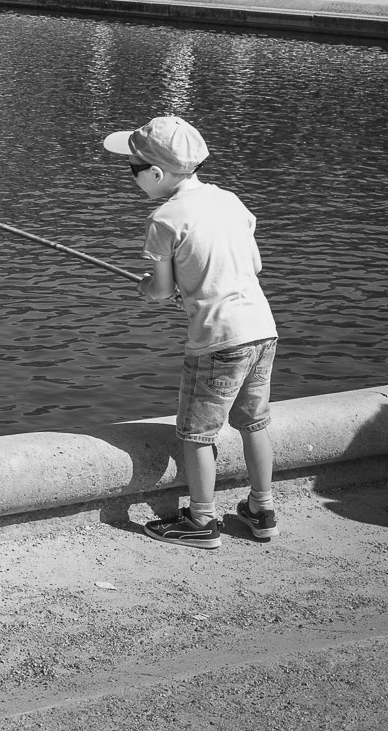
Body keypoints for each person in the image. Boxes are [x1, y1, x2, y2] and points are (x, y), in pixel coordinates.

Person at [103, 116, 278, 550]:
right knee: (254, 422)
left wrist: (149, 287)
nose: (133, 178)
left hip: (217, 339)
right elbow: (252, 266)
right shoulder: (230, 200)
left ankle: (202, 521)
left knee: (196, 432)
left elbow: (160, 291)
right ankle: (262, 508)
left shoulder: (164, 219)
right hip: (261, 329)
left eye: (133, 169)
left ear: (156, 174)